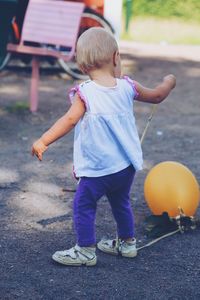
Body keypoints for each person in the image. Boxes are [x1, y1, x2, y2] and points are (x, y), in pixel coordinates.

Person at [31, 27, 176, 267]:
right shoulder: (129, 86)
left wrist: (44, 140)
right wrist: (168, 82)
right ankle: (127, 244)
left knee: (84, 204)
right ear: (116, 57)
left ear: (81, 64)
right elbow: (158, 96)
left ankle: (86, 250)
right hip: (124, 166)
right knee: (121, 202)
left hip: (99, 168)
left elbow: (68, 120)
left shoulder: (85, 93)